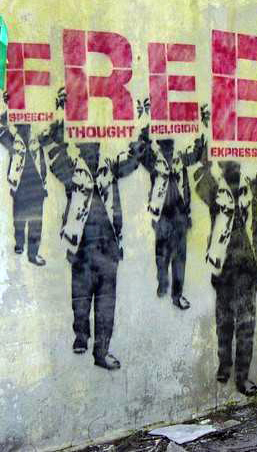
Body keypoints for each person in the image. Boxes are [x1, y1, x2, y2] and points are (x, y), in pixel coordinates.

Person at [41, 89, 147, 369]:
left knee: (106, 303)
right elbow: (53, 150)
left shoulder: (108, 168)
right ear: (80, 146)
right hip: (81, 248)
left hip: (108, 249)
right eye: (87, 145)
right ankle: (81, 335)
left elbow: (133, 158)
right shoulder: (72, 170)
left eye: (95, 145)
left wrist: (143, 121)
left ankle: (102, 352)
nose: (92, 148)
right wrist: (60, 112)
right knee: (80, 298)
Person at [195, 151, 257, 396]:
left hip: (247, 268)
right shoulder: (215, 191)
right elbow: (200, 182)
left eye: (234, 160)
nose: (231, 165)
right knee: (224, 321)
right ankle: (225, 365)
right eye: (226, 161)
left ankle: (242, 377)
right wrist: (204, 158)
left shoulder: (249, 188)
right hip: (223, 266)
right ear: (222, 165)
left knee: (246, 324)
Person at [139, 106, 208, 310]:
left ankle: (177, 295)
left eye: (170, 145)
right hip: (162, 216)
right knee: (162, 255)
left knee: (180, 258)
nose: (168, 148)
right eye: (165, 145)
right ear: (160, 146)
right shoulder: (155, 162)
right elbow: (141, 152)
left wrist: (202, 127)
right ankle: (163, 284)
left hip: (179, 215)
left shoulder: (180, 159)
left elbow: (197, 154)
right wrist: (145, 124)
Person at [0, 93, 50, 265]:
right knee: (19, 218)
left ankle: (33, 254)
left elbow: (53, 132)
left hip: (37, 186)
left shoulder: (36, 136)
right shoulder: (12, 138)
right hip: (20, 185)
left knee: (36, 221)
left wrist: (60, 107)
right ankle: (19, 243)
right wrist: (6, 107)